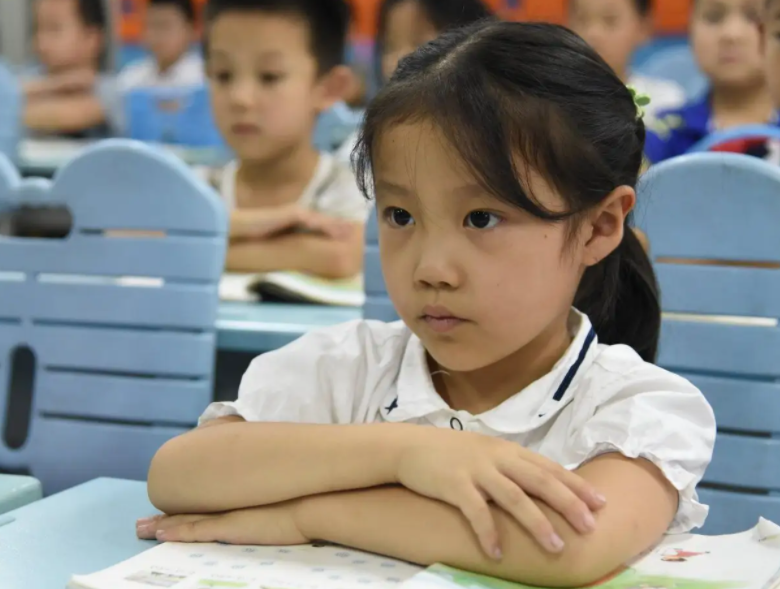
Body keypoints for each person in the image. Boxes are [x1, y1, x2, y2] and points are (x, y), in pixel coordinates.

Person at [139, 21, 715, 587]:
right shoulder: (351, 366)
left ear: (599, 226)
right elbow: (179, 474)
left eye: (481, 218)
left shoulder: (642, 407)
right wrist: (407, 453)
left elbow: (567, 544)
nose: (431, 268)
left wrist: (309, 514)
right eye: (401, 216)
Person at [203, 0, 367, 279]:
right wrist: (266, 222)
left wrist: (201, 244)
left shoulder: (348, 191)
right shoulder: (201, 188)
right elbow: (137, 238)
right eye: (223, 75)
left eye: (269, 77)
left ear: (328, 88)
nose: (240, 98)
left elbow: (340, 256)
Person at [336, 0, 493, 165]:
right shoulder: (363, 152)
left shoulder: (499, 138)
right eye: (389, 46)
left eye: (420, 43)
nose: (399, 60)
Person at [645, 0, 776, 163]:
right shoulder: (664, 131)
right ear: (689, 27)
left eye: (753, 16)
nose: (731, 34)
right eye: (714, 17)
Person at [568, 0, 685, 122]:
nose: (592, 33)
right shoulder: (554, 100)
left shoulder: (664, 102)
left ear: (643, 27)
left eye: (610, 20)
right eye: (581, 18)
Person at [23, 0, 120, 137]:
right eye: (37, 29)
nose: (40, 41)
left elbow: (70, 116)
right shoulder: (33, 77)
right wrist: (55, 84)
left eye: (54, 29)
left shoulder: (110, 89)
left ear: (92, 38)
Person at [117, 0, 204, 93]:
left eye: (164, 26)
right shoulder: (130, 79)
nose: (156, 35)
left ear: (190, 30)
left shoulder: (204, 78)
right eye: (150, 26)